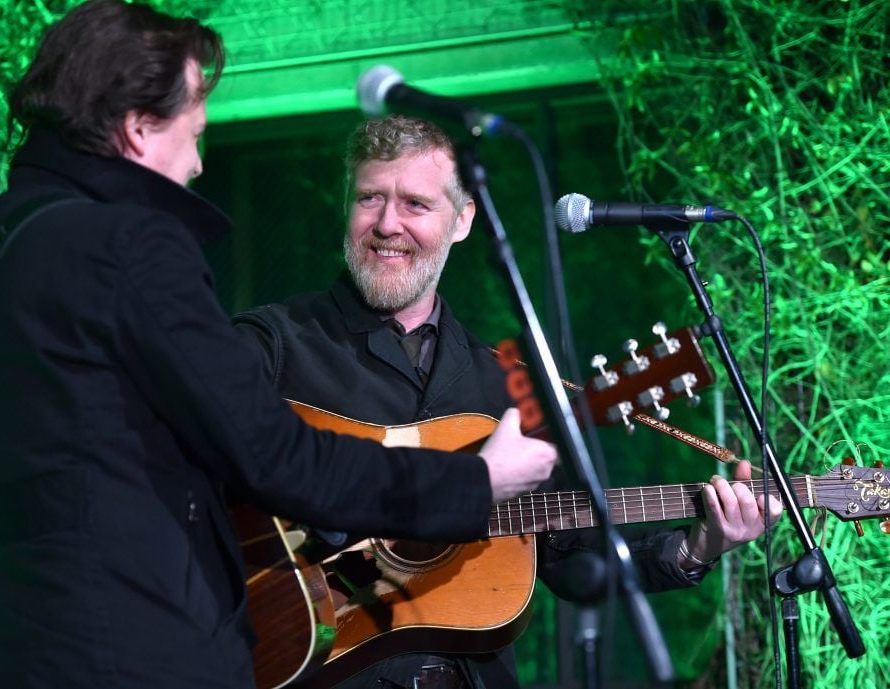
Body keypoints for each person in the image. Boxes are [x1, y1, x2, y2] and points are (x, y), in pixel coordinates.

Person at [0, 5, 558, 689]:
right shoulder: (131, 244)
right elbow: (277, 455)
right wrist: (474, 483)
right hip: (128, 656)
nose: (199, 162)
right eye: (194, 133)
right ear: (139, 127)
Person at [232, 115, 782, 689]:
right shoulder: (272, 345)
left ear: (464, 220)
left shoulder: (507, 385)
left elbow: (573, 557)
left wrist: (700, 544)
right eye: (370, 198)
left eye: (415, 204)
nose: (387, 224)